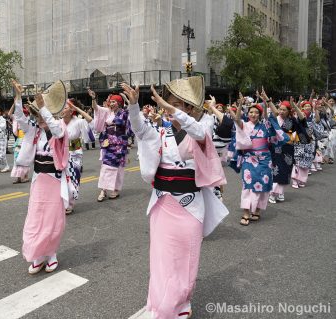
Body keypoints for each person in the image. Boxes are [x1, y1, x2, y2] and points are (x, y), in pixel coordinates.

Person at [122, 78, 228, 319]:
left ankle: (182, 301)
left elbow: (200, 132)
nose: (171, 110)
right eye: (168, 105)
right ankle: (161, 303)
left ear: (190, 109)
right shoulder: (159, 132)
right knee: (161, 259)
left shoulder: (200, 131)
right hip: (163, 203)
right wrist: (134, 106)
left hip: (191, 205)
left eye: (179, 106)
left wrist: (174, 111)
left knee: (186, 258)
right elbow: (139, 128)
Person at [12, 80, 68, 275]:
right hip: (39, 180)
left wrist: (44, 111)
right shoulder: (33, 130)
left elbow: (57, 131)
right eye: (35, 113)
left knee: (53, 220)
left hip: (54, 180)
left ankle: (51, 253)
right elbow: (19, 117)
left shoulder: (58, 127)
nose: (37, 116)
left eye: (39, 112)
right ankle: (37, 255)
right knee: (35, 218)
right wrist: (18, 97)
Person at [231, 91, 289, 226]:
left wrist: (266, 99)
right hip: (249, 158)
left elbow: (274, 115)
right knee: (247, 186)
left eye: (256, 112)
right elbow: (236, 119)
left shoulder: (265, 125)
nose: (253, 114)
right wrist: (240, 105)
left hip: (264, 159)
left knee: (263, 185)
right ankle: (246, 212)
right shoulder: (244, 125)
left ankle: (257, 210)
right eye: (251, 112)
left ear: (260, 114)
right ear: (248, 113)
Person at [88, 89, 131, 201]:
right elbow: (96, 108)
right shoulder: (108, 112)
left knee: (118, 168)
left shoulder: (124, 112)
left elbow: (132, 108)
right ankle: (103, 190)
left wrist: (126, 98)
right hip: (108, 143)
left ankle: (115, 189)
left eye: (114, 102)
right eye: (110, 102)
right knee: (106, 166)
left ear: (119, 103)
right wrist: (93, 98)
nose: (111, 104)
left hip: (120, 144)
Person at [269, 97, 307, 203]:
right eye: (280, 109)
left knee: (285, 171)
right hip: (275, 148)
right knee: (276, 170)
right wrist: (267, 100)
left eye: (284, 110)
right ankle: (274, 193)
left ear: (289, 111)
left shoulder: (292, 121)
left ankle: (280, 192)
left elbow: (303, 120)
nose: (281, 111)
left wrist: (295, 106)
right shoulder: (275, 118)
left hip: (287, 148)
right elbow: (273, 110)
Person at [60, 98, 93, 214]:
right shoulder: (58, 122)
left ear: (71, 111)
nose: (62, 109)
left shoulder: (78, 121)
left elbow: (89, 119)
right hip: (61, 153)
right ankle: (63, 201)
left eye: (65, 107)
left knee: (74, 177)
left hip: (75, 151)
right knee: (62, 179)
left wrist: (77, 108)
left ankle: (71, 202)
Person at [10, 103, 30, 184]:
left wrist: (29, 108)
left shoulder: (28, 119)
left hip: (25, 140)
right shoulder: (17, 119)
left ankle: (25, 176)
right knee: (16, 158)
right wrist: (14, 104)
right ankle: (18, 177)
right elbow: (10, 114)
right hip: (19, 140)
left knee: (24, 159)